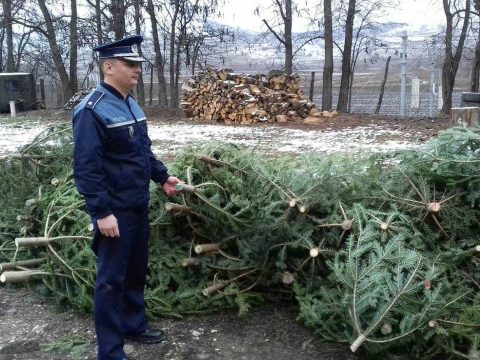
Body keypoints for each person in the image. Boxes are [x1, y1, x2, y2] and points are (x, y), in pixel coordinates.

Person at [72, 35, 181, 360]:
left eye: (138, 65)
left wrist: (162, 177)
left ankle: (134, 324)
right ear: (108, 66)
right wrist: (101, 212)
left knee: (136, 271)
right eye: (129, 64)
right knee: (111, 281)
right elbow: (86, 168)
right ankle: (110, 349)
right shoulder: (91, 110)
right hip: (114, 212)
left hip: (137, 205)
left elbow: (142, 151)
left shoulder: (130, 103)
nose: (137, 70)